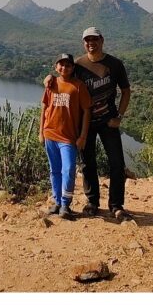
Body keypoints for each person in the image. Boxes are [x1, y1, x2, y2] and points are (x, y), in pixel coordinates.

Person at [46, 26, 133, 220]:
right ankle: (92, 202)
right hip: (85, 123)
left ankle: (116, 206)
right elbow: (63, 76)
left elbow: (126, 91)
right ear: (83, 43)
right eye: (87, 40)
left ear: (102, 40)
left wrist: (119, 116)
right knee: (87, 163)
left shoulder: (115, 64)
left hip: (108, 120)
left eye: (94, 39)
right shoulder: (78, 65)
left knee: (117, 163)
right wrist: (50, 77)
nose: (91, 43)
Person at [39, 53, 91, 219]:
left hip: (68, 137)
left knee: (68, 170)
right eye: (61, 64)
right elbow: (44, 108)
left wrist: (82, 136)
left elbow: (86, 111)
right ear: (56, 67)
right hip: (50, 134)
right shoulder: (51, 83)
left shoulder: (78, 86)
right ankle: (57, 202)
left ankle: (66, 204)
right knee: (55, 170)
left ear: (72, 68)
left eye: (68, 65)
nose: (64, 68)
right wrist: (41, 132)